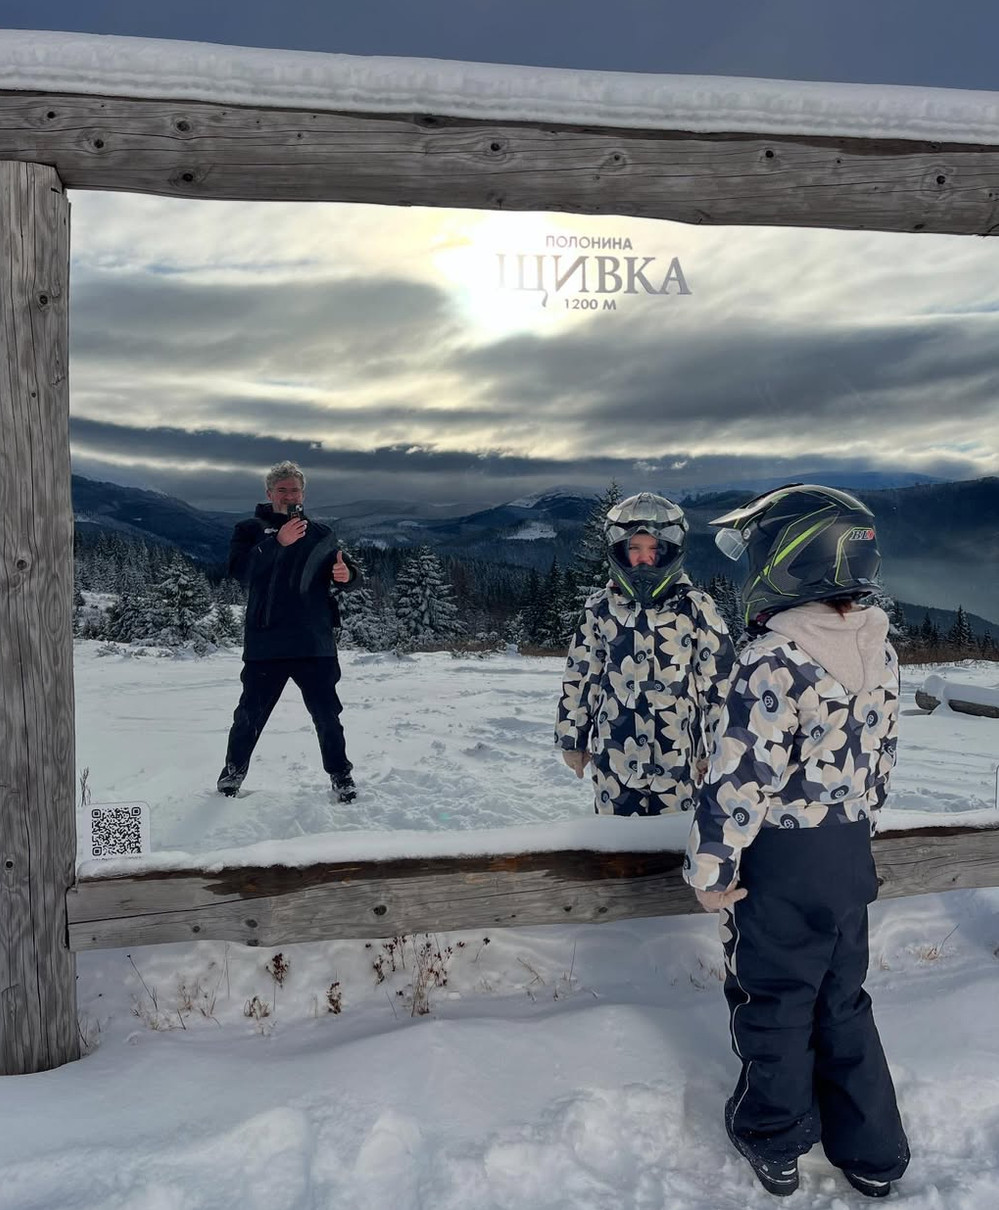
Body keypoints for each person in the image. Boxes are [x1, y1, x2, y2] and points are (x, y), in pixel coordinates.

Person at [684, 483, 909, 1200]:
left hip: (780, 862)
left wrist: (711, 869)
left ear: (792, 560)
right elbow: (880, 760)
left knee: (776, 999)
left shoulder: (772, 659)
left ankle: (774, 1137)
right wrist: (860, 831)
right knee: (842, 998)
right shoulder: (878, 648)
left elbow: (739, 776)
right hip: (847, 853)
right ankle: (872, 1151)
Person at [555, 491, 735, 816]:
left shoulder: (695, 607)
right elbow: (582, 676)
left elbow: (719, 684)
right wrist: (572, 739)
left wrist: (720, 750)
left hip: (678, 757)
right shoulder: (600, 608)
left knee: (673, 840)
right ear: (619, 550)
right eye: (634, 548)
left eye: (653, 549)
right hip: (615, 755)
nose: (644, 558)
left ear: (669, 550)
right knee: (614, 840)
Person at [217, 460, 361, 802]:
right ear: (269, 494)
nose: (289, 496)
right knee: (249, 715)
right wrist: (276, 543)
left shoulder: (321, 533)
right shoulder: (249, 530)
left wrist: (349, 576)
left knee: (328, 715)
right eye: (282, 490)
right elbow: (240, 572)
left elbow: (346, 570)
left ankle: (341, 775)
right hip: (266, 642)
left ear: (303, 494)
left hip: (314, 641)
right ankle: (232, 775)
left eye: (294, 490)